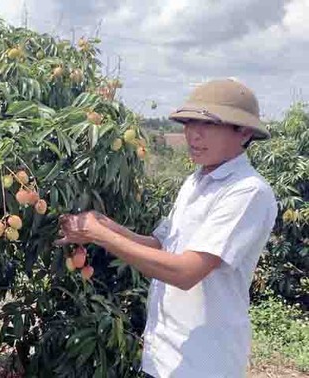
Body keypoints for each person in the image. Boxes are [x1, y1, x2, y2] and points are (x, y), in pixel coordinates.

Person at [56, 79, 278, 378]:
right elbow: (162, 245)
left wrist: (99, 234)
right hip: (164, 354)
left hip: (203, 363)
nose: (193, 135)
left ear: (245, 132)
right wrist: (109, 226)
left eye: (208, 125)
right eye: (188, 123)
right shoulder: (195, 182)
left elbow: (185, 272)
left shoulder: (248, 192)